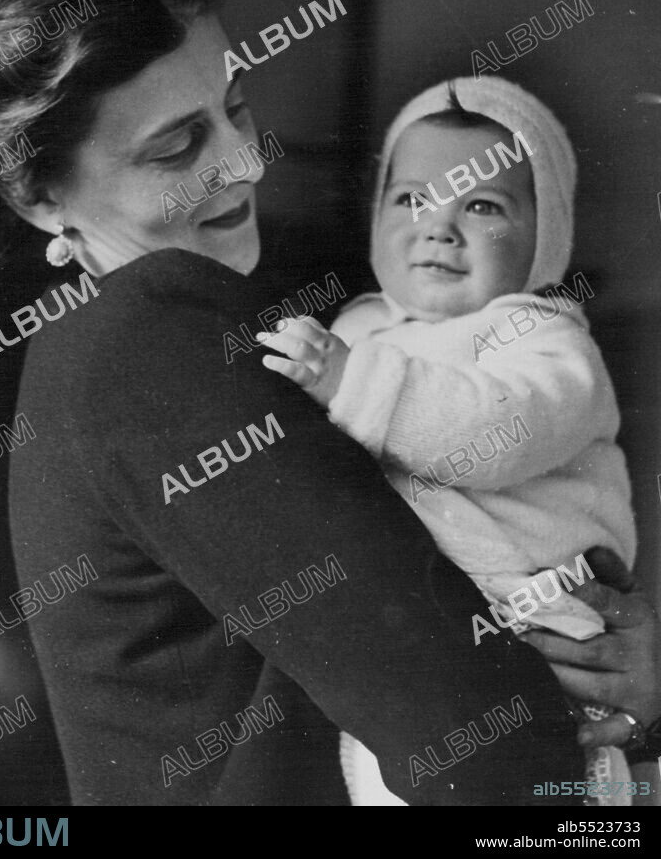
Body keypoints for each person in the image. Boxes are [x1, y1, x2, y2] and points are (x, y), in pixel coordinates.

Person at [0, 0, 661, 806]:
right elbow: (469, 726)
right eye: (175, 147)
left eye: (235, 106)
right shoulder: (141, 331)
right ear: (44, 198)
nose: (244, 160)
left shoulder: (193, 334)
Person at [257, 76, 659, 805]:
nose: (439, 226)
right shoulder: (355, 331)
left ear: (546, 236)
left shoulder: (546, 337)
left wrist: (353, 386)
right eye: (410, 197)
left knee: (547, 787)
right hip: (405, 631)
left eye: (481, 204)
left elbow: (497, 430)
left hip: (541, 622)